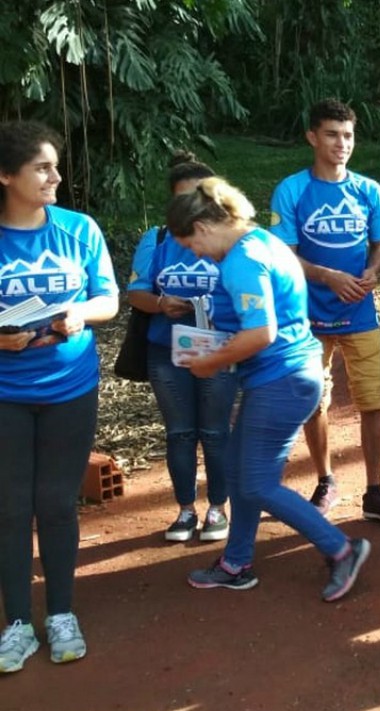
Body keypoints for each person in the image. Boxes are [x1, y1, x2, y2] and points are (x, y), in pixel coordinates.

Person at [166, 177, 370, 601]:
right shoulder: (262, 240)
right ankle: (235, 563)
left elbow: (261, 333)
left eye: (191, 245)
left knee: (257, 483)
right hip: (284, 375)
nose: (196, 254)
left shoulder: (243, 260)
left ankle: (341, 549)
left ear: (202, 228)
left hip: (282, 380)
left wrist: (210, 362)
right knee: (240, 472)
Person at [0, 121, 119, 672]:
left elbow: (108, 299)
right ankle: (18, 624)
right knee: (10, 506)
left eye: (55, 166)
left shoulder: (79, 229)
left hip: (70, 388)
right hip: (5, 394)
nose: (56, 177)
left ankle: (61, 614)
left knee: (55, 502)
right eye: (42, 168)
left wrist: (79, 314)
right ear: (6, 176)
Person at [270, 98, 380, 524]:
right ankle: (325, 480)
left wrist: (373, 270)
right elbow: (284, 255)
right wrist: (327, 276)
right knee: (314, 401)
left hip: (360, 313)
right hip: (308, 317)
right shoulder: (292, 190)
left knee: (373, 401)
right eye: (332, 134)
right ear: (312, 137)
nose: (341, 143)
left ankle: (374, 491)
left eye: (348, 135)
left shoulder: (369, 191)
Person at [127, 153, 238, 542]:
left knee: (216, 431)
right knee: (180, 433)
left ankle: (218, 508)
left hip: (219, 349)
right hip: (167, 351)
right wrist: (161, 303)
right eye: (183, 199)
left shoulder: (231, 241)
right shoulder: (158, 239)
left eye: (200, 197)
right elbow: (136, 293)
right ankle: (186, 510)